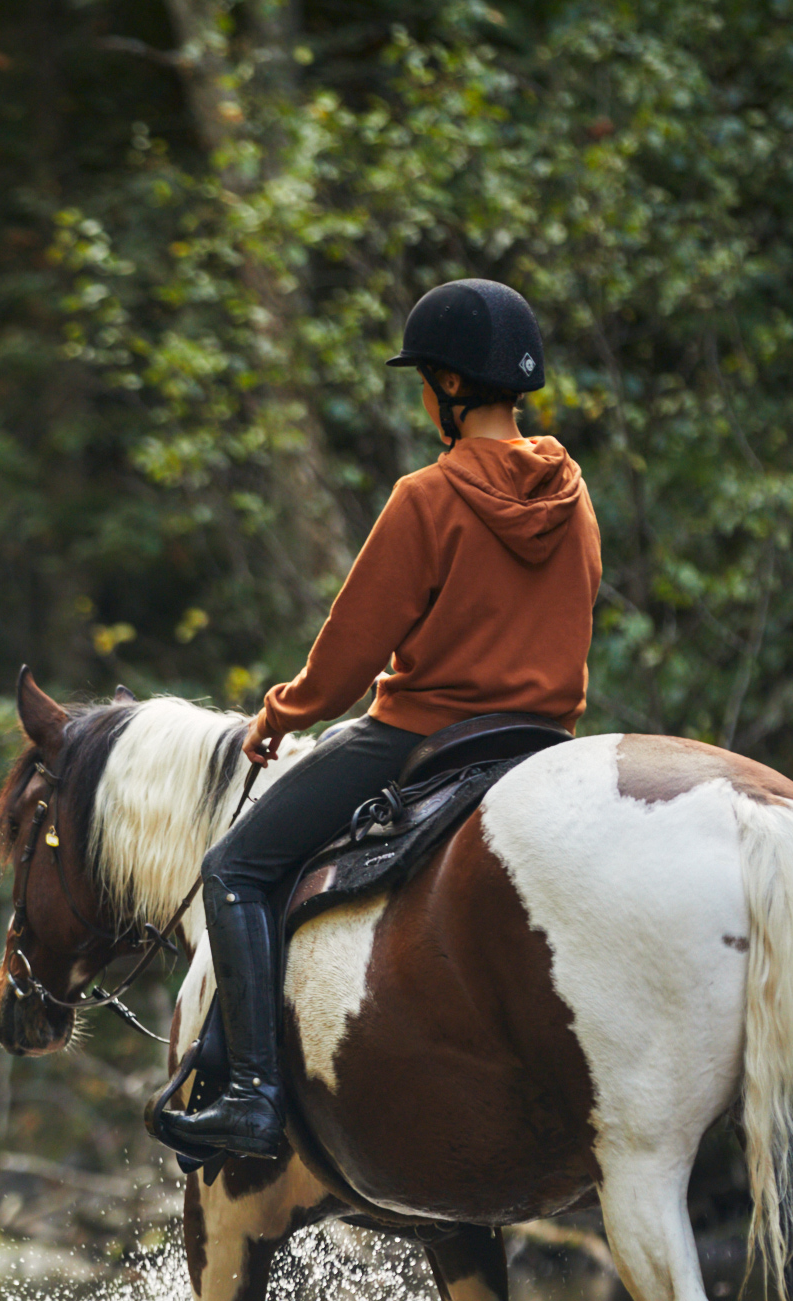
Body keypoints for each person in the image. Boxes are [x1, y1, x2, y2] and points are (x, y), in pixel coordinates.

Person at [149, 277, 602, 1163]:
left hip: (425, 739)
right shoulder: (573, 494)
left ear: (449, 387)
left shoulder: (427, 498)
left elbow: (349, 656)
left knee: (235, 867)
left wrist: (280, 716)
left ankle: (251, 1097)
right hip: (546, 746)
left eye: (425, 381)